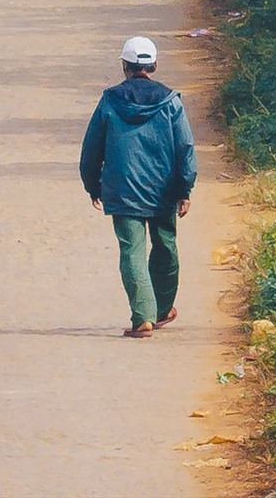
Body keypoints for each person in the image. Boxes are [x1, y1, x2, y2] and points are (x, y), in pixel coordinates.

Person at [79, 36, 197, 338]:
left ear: (124, 66)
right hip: (163, 189)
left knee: (132, 251)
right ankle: (160, 309)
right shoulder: (171, 101)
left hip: (123, 189)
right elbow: (184, 146)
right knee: (166, 246)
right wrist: (185, 188)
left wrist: (93, 184)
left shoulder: (109, 100)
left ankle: (143, 317)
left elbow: (92, 146)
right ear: (154, 66)